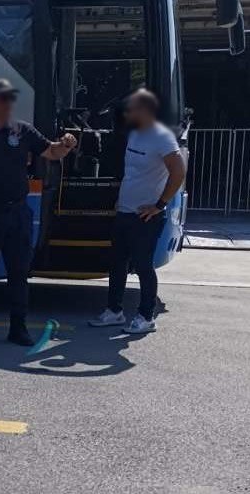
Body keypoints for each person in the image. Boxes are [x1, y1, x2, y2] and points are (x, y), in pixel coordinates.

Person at [0, 78, 77, 347]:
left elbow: (51, 152)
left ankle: (18, 328)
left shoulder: (23, 131)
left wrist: (66, 145)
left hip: (17, 214)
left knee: (19, 274)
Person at [89, 89, 186, 335]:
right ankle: (114, 311)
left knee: (143, 266)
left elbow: (178, 171)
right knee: (117, 263)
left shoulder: (162, 137)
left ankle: (146, 316)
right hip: (125, 211)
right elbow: (132, 173)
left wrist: (159, 205)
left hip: (146, 216)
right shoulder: (134, 134)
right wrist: (120, 201)